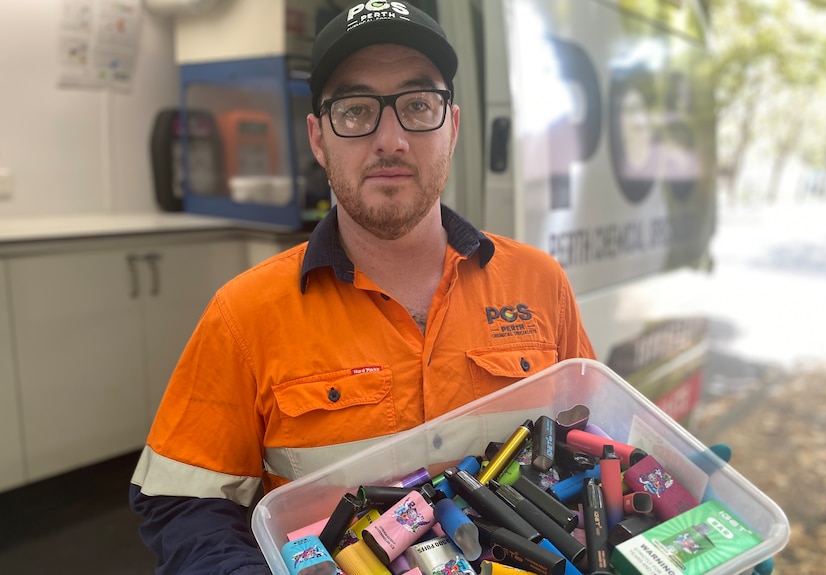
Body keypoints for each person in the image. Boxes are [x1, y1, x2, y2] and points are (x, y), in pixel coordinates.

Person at [130, 2, 595, 573]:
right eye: (355, 111)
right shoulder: (244, 315)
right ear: (319, 138)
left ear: (452, 125)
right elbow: (182, 502)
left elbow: (593, 446)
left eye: (418, 105)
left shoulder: (539, 282)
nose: (391, 139)